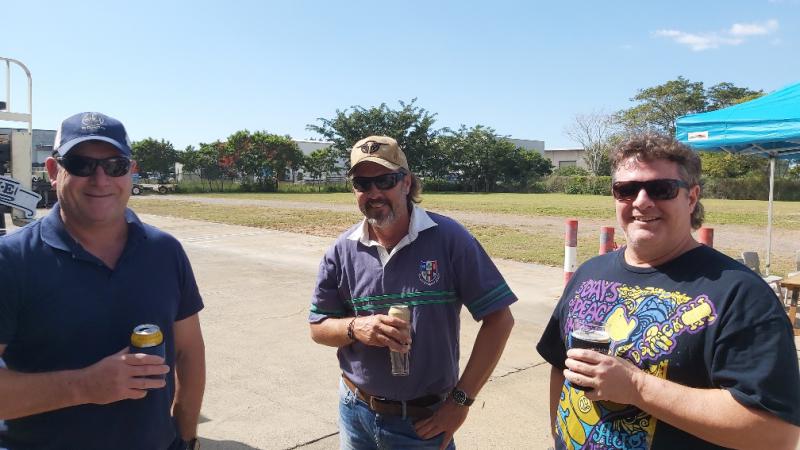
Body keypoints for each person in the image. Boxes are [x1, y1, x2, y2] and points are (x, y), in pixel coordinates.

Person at [537, 133, 800, 449]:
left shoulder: (740, 295)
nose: (641, 201)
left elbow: (776, 434)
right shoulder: (590, 273)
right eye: (626, 190)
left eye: (661, 189)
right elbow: (559, 365)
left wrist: (637, 386)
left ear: (691, 198)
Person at [0, 112, 206, 450]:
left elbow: (188, 350)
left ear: (130, 170)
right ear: (54, 171)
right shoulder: (10, 261)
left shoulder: (165, 251)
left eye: (115, 165)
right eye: (81, 164)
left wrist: (185, 437)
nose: (100, 179)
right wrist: (84, 386)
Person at [309, 135, 516, 449]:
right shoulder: (342, 251)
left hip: (421, 424)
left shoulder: (449, 239)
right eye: (363, 183)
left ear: (406, 183)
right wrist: (356, 327)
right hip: (354, 411)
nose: (374, 192)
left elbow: (499, 319)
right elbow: (318, 328)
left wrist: (460, 401)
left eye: (385, 180)